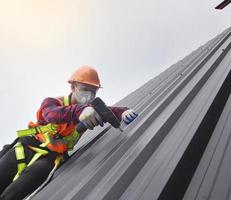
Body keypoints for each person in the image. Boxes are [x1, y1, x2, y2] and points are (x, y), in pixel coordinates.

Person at [0, 65, 138, 200]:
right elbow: (52, 115)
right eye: (85, 89)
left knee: (16, 191)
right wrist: (79, 111)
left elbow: (109, 111)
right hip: (25, 148)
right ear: (73, 87)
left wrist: (124, 112)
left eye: (93, 92)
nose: (89, 95)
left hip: (50, 160)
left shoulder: (90, 111)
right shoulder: (52, 102)